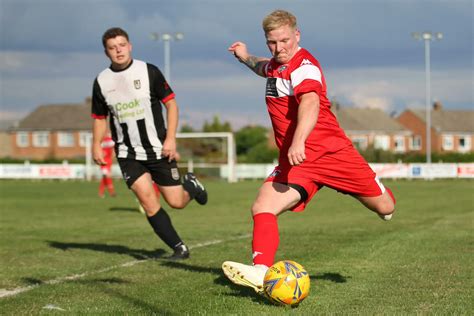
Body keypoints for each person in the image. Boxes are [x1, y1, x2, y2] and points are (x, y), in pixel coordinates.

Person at [222, 10, 396, 293]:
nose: (279, 48)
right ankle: (261, 272)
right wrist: (244, 56)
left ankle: (372, 190)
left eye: (284, 41)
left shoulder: (305, 66)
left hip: (331, 154)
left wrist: (299, 140)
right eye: (272, 42)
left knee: (386, 207)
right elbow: (261, 66)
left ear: (297, 35)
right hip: (298, 161)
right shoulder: (276, 65)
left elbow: (310, 103)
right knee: (262, 207)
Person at [91, 27, 207, 260]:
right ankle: (179, 248)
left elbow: (171, 104)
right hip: (127, 153)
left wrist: (171, 138)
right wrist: (96, 144)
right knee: (147, 200)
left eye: (122, 45)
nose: (118, 50)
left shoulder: (149, 71)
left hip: (158, 149)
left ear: (130, 46)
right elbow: (100, 117)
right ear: (106, 52)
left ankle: (191, 186)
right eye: (112, 48)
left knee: (176, 202)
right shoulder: (102, 81)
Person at [98, 133, 116, 198]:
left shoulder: (102, 141)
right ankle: (111, 192)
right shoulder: (111, 140)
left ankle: (102, 192)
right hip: (105, 162)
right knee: (107, 176)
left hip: (106, 161)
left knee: (105, 177)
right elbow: (114, 150)